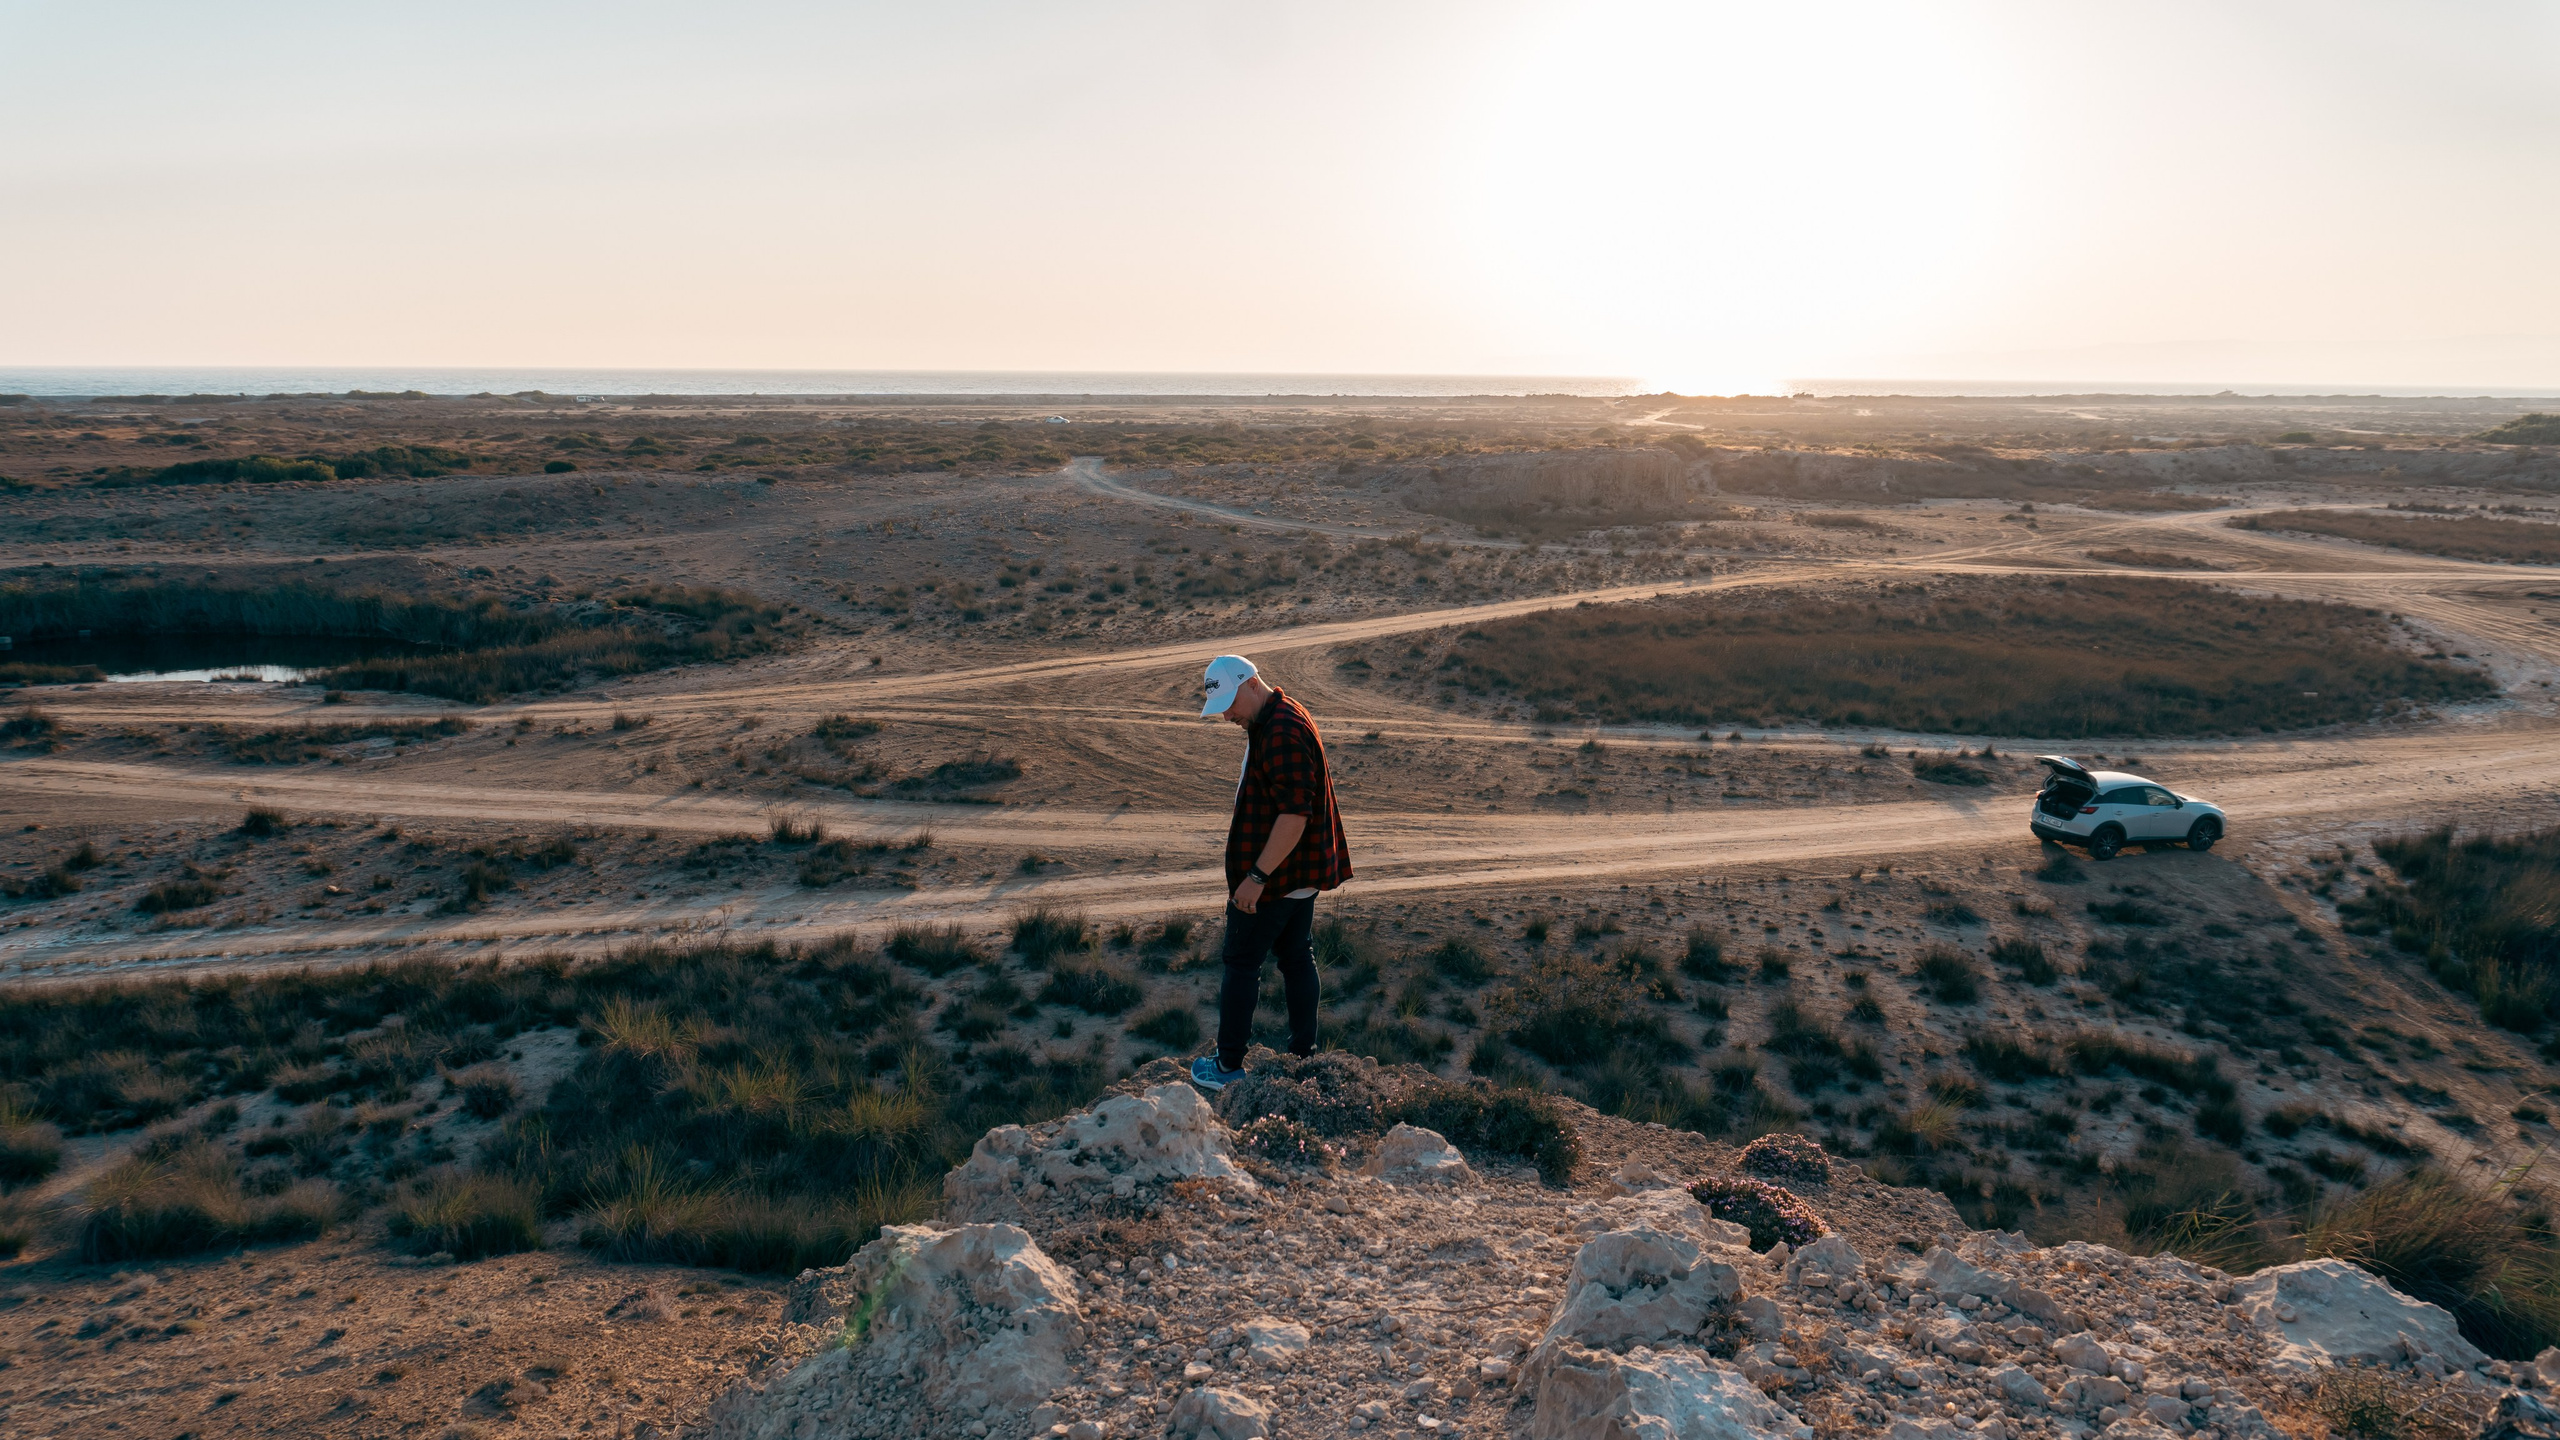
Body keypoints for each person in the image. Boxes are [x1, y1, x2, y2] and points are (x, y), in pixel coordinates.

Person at [1188, 654, 1352, 1092]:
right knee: (1297, 958)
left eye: (1228, 704)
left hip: (1274, 881)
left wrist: (1255, 879)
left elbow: (1294, 816)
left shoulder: (1281, 731)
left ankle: (1227, 1069)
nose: (1226, 716)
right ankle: (1302, 1059)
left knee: (1241, 963)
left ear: (1250, 683)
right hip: (1297, 876)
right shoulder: (1280, 714)